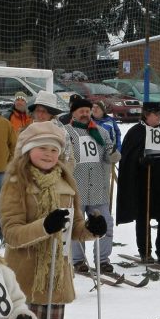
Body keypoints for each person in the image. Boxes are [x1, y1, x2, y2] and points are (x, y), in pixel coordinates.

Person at [0, 121, 104, 319]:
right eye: (42, 148)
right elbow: (12, 234)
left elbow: (75, 228)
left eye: (54, 149)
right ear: (28, 150)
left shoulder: (66, 181)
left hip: (56, 277)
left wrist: (91, 230)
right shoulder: (16, 182)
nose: (49, 154)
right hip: (26, 279)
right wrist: (45, 225)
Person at [116, 102, 160, 264]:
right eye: (156, 114)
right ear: (146, 114)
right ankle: (145, 252)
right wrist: (140, 161)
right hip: (142, 183)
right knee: (143, 217)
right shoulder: (136, 132)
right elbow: (127, 158)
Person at [65, 95, 120, 273]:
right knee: (77, 225)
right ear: (73, 113)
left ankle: (102, 259)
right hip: (76, 189)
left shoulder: (101, 132)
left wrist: (114, 155)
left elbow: (109, 153)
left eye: (88, 111)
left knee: (105, 224)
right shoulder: (66, 133)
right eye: (81, 111)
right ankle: (78, 260)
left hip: (98, 188)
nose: (85, 114)